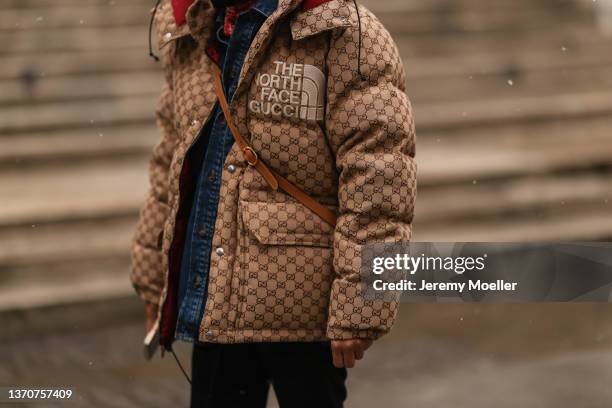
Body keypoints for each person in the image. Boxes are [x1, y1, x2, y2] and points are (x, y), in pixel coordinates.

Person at [130, 0, 416, 406]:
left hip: (304, 312)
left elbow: (380, 181)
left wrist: (362, 301)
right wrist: (154, 274)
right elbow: (171, 165)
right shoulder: (193, 29)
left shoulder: (346, 34)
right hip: (215, 299)